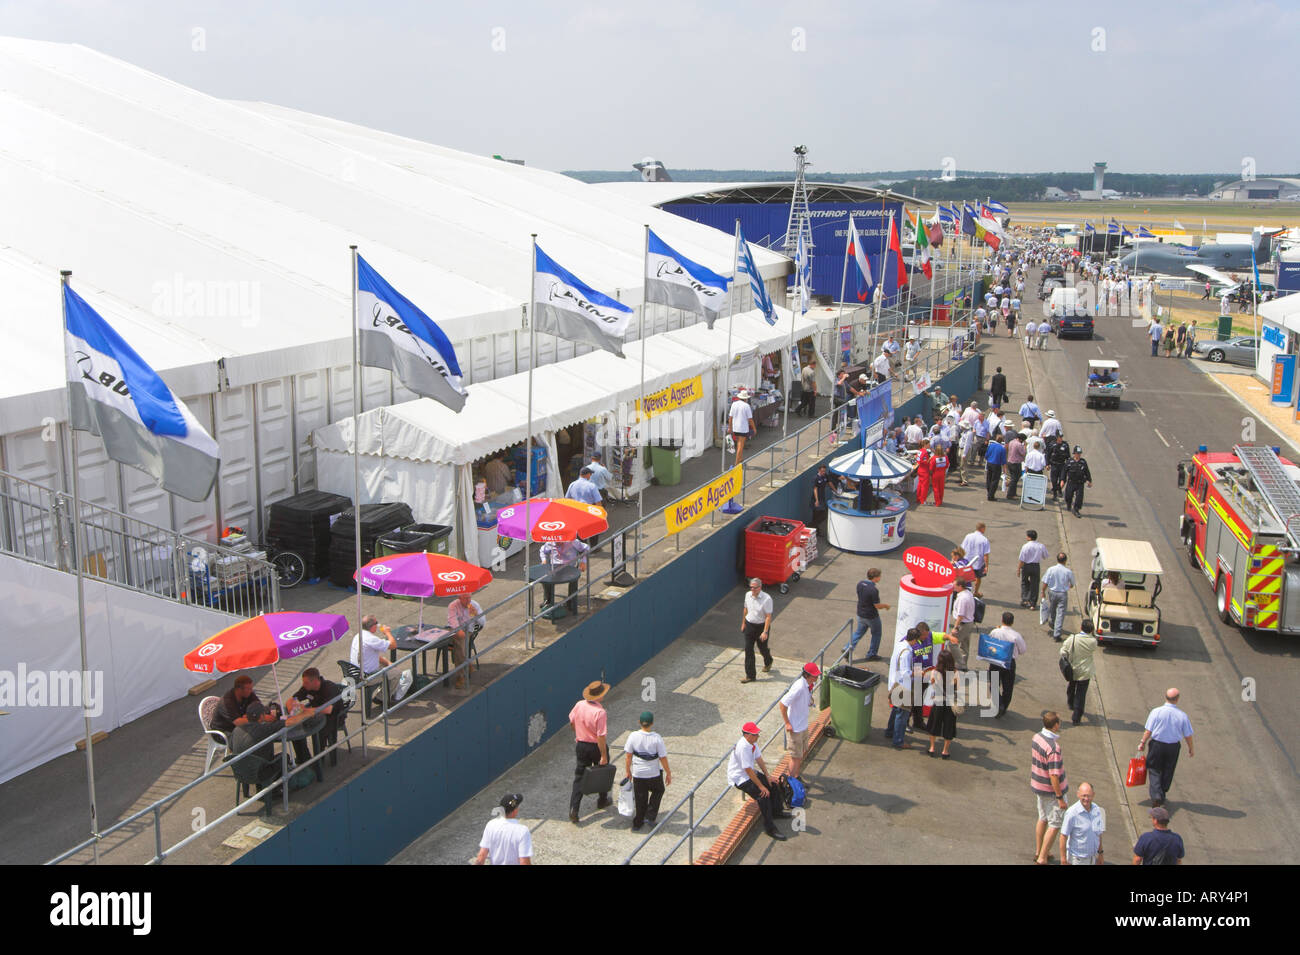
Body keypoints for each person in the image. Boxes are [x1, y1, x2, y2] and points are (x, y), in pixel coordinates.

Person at [727, 721, 787, 841]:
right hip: (740, 777)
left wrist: (768, 776)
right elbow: (748, 770)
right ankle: (770, 828)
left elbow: (759, 758)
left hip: (749, 773)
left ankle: (776, 811)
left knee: (773, 785)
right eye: (755, 734)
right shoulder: (743, 747)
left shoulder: (752, 743)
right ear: (747, 735)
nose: (758, 736)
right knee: (763, 796)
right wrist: (761, 786)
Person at [1137, 688, 1195, 808]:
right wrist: (1191, 748)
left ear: (1165, 697)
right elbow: (1188, 735)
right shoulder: (1182, 715)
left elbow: (1149, 730)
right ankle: (1162, 793)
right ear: (1177, 699)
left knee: (1154, 769)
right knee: (1168, 769)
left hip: (1157, 745)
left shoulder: (1156, 712)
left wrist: (1142, 742)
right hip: (1173, 747)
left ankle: (1156, 795)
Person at [568, 680, 611, 823]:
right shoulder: (600, 712)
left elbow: (572, 722)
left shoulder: (579, 705)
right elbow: (601, 736)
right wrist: (603, 755)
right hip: (595, 747)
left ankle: (574, 809)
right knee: (603, 772)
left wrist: (578, 734)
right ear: (598, 697)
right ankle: (602, 800)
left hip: (581, 745)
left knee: (579, 776)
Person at [1031, 711, 1069, 865]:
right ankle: (1042, 858)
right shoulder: (1053, 748)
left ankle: (1039, 851)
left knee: (1043, 818)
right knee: (1054, 824)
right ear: (1055, 725)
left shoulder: (1036, 737)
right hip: (1050, 791)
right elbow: (1054, 775)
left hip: (1038, 786)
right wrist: (1059, 797)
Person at [623, 711, 671, 832]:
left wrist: (628, 771)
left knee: (640, 798)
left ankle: (637, 823)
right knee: (659, 790)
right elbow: (663, 757)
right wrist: (668, 772)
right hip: (654, 773)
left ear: (639, 722)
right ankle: (650, 816)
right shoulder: (656, 738)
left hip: (638, 774)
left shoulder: (633, 736)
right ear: (652, 723)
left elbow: (628, 756)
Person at [291, 667, 343, 759]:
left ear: (315, 681)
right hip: (315, 716)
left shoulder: (329, 688)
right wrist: (294, 707)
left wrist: (305, 711)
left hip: (333, 718)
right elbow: (293, 699)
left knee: (319, 734)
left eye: (306, 683)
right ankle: (303, 758)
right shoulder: (307, 688)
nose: (303, 685)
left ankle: (318, 761)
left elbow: (328, 709)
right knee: (295, 729)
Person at [779, 663, 820, 780]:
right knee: (795, 757)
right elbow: (782, 704)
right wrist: (787, 723)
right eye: (814, 676)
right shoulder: (799, 687)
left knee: (800, 755)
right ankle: (790, 783)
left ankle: (795, 777)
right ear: (807, 675)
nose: (817, 678)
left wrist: (809, 701)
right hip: (795, 728)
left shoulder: (807, 686)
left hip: (802, 726)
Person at [886, 629, 924, 749]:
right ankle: (898, 741)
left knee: (896, 710)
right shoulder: (907, 652)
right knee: (902, 715)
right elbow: (905, 672)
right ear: (914, 639)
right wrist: (919, 672)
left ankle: (890, 731)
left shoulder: (900, 645)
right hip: (903, 686)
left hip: (894, 683)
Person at [987, 611, 1027, 717]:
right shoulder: (1016, 636)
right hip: (1009, 662)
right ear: (1012, 622)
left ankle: (998, 703)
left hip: (996, 661)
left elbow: (989, 642)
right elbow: (1023, 650)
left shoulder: (995, 631)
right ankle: (1003, 706)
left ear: (1002, 620)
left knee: (994, 684)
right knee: (1008, 687)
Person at [474, 793, 532, 865]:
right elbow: (524, 862)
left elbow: (481, 856)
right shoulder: (522, 831)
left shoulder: (491, 825)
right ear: (515, 810)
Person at [538, 537, 589, 616]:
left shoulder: (573, 541)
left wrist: (583, 561)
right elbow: (542, 550)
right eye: (556, 541)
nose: (558, 542)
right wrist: (543, 560)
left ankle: (571, 601)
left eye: (560, 540)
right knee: (545, 579)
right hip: (555, 568)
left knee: (574, 579)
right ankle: (548, 600)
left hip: (570, 568)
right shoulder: (550, 543)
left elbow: (586, 548)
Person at [847, 567, 889, 662]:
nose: (880, 578)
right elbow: (877, 606)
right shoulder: (873, 590)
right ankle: (872, 654)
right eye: (879, 576)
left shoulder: (860, 584)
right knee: (876, 634)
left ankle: (847, 648)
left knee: (858, 633)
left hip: (860, 614)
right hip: (871, 616)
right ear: (875, 577)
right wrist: (886, 606)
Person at [1060, 620, 1098, 725]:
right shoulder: (1093, 641)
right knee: (1081, 695)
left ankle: (1070, 703)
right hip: (1085, 671)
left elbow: (1063, 651)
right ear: (1091, 630)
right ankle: (1076, 717)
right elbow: (1093, 650)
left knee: (1071, 687)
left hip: (1073, 669)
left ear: (1081, 627)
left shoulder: (1073, 638)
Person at [1059, 782, 1105, 865]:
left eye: (1089, 796)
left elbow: (1098, 834)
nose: (1086, 799)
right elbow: (1063, 836)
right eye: (1084, 795)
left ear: (1093, 795)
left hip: (1092, 858)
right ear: (1078, 794)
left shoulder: (1097, 810)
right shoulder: (1072, 813)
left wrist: (1101, 853)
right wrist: (1063, 859)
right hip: (1077, 860)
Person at [926, 644, 958, 759]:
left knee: (934, 724)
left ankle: (932, 748)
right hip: (949, 703)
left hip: (938, 702)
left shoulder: (935, 672)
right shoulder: (955, 672)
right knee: (949, 726)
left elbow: (933, 685)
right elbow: (957, 687)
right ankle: (945, 751)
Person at [447, 592, 485, 690]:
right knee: (459, 640)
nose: (468, 600)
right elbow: (452, 621)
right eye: (465, 598)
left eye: (469, 598)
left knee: (459, 645)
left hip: (469, 630)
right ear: (459, 598)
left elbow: (483, 623)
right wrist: (458, 630)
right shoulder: (453, 605)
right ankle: (468, 664)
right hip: (456, 629)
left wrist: (476, 614)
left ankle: (461, 676)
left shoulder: (474, 605)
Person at [740, 577, 774, 683]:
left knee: (762, 648)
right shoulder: (747, 595)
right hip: (749, 625)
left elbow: (768, 616)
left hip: (761, 627)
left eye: (755, 588)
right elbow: (745, 609)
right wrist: (743, 623)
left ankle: (768, 661)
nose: (752, 590)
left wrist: (765, 631)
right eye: (751, 587)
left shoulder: (767, 599)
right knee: (748, 649)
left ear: (760, 587)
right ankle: (750, 675)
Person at [1041, 551, 1074, 643]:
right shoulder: (1068, 572)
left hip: (1052, 592)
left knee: (1052, 609)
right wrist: (1067, 586)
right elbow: (1072, 584)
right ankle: (1057, 633)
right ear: (1065, 561)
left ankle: (1053, 623)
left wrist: (1042, 591)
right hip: (1062, 594)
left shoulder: (1051, 569)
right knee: (1060, 613)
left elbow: (1045, 581)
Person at [948, 576, 977, 670]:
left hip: (963, 624)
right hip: (969, 623)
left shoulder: (962, 598)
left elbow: (960, 615)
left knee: (952, 643)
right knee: (965, 645)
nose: (953, 587)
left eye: (955, 585)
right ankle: (963, 664)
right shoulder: (968, 593)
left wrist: (955, 627)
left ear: (960, 586)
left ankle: (959, 663)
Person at [1018, 529, 1049, 609]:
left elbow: (1022, 559)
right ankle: (1032, 603)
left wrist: (1018, 569)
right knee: (1035, 584)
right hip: (1036, 566)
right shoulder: (1041, 546)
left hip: (1026, 566)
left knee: (1024, 582)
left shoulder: (1025, 546)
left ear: (1029, 537)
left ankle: (1025, 600)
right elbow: (1045, 556)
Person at [960, 522, 991, 598]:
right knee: (978, 578)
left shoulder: (968, 536)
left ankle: (963, 591)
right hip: (978, 563)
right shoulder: (984, 540)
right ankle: (975, 592)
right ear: (982, 528)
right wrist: (986, 566)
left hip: (967, 562)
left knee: (965, 578)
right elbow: (986, 554)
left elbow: (962, 548)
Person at [1062, 445, 1093, 518]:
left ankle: (1076, 509)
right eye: (1077, 453)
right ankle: (1069, 504)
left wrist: (1089, 480)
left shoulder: (1083, 462)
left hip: (1080, 483)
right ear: (1074, 453)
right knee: (1068, 496)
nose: (1078, 455)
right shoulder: (1069, 461)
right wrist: (1062, 480)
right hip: (1071, 482)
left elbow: (1087, 472)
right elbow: (1064, 471)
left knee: (1079, 497)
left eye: (1079, 453)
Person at [729, 389, 755, 464]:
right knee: (740, 445)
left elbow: (730, 417)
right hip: (743, 428)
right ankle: (736, 463)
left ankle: (740, 458)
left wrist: (730, 427)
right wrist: (754, 428)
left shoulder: (734, 404)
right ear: (746, 398)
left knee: (739, 444)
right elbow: (750, 419)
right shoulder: (746, 406)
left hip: (735, 427)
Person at [809, 464, 831, 537]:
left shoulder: (825, 476)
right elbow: (815, 489)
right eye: (822, 471)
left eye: (824, 471)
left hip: (822, 498)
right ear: (819, 470)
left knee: (819, 515)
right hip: (816, 499)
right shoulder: (815, 478)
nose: (823, 472)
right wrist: (816, 500)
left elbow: (829, 483)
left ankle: (814, 528)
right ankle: (813, 528)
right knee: (818, 515)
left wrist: (835, 490)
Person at [984, 433, 1006, 502]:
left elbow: (986, 455)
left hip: (989, 463)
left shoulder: (991, 445)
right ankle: (991, 495)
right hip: (996, 465)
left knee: (989, 479)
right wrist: (1004, 469)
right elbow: (1003, 460)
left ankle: (989, 492)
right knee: (995, 480)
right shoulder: (1002, 448)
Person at [1005, 431, 1026, 500]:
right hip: (1016, 463)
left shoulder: (1011, 442)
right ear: (1021, 439)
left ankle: (1013, 492)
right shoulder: (1019, 445)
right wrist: (1024, 446)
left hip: (1010, 461)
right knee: (1014, 479)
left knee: (1014, 478)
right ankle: (1010, 494)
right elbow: (1023, 453)